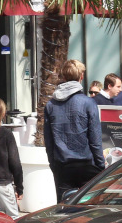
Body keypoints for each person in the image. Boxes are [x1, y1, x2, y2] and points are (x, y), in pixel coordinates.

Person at [44, 59, 103, 194]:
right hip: (86, 165)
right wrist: (100, 166)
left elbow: (49, 141)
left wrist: (53, 165)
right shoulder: (88, 103)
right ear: (81, 76)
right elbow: (95, 140)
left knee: (64, 210)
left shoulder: (51, 105)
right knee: (88, 210)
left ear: (64, 77)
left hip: (63, 166)